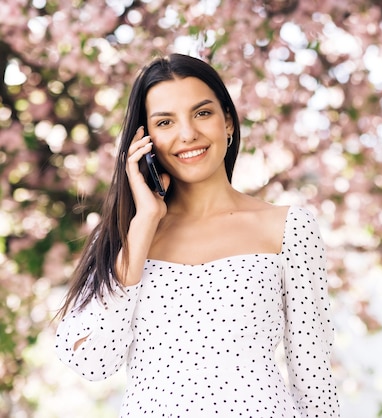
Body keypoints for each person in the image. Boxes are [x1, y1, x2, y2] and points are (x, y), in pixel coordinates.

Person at [55, 53, 340, 417]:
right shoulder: (123, 239)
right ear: (145, 140)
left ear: (228, 122)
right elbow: (92, 362)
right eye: (165, 122)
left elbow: (313, 379)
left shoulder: (289, 227)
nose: (188, 134)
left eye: (202, 113)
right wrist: (143, 225)